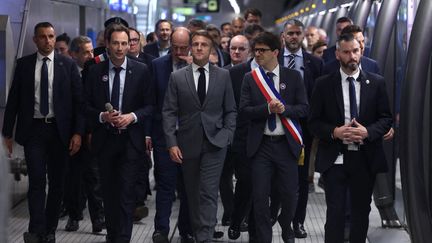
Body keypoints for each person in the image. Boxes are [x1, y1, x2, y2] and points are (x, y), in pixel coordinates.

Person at [2, 22, 84, 243]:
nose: (48, 41)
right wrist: (7, 134)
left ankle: (49, 230)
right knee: (37, 181)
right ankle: (36, 230)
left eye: (51, 36)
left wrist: (78, 133)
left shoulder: (68, 65)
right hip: (34, 131)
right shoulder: (24, 65)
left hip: (60, 131)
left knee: (57, 182)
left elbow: (79, 103)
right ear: (35, 40)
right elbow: (14, 101)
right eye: (43, 37)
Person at [308, 33, 392, 243]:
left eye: (355, 51)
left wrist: (368, 132)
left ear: (361, 51)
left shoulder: (377, 83)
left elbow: (386, 118)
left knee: (360, 213)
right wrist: (334, 132)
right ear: (337, 54)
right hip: (335, 158)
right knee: (335, 212)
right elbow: (313, 122)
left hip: (365, 158)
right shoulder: (324, 84)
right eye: (346, 52)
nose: (352, 56)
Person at [162, 30, 237, 243]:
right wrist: (171, 143)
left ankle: (204, 236)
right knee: (193, 193)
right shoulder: (177, 77)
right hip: (187, 142)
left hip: (216, 142)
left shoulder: (222, 75)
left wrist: (228, 134)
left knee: (209, 191)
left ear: (211, 49)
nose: (199, 48)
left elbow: (231, 109)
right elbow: (168, 112)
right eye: (195, 44)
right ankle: (198, 233)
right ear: (190, 48)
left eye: (204, 44)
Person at [84, 23, 154, 243]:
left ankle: (123, 238)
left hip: (130, 142)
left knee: (126, 195)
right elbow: (84, 106)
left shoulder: (141, 70)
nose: (121, 47)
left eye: (125, 43)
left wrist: (131, 116)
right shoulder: (95, 71)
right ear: (107, 44)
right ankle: (113, 236)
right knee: (109, 194)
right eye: (116, 43)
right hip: (105, 141)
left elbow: (150, 106)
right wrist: (102, 117)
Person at [239, 31, 308, 243]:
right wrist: (267, 109)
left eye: (263, 50)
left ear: (275, 52)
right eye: (256, 50)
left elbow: (304, 109)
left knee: (289, 196)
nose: (258, 54)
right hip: (261, 147)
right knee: (260, 198)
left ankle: (286, 227)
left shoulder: (293, 77)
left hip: (286, 146)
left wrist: (284, 109)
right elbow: (244, 110)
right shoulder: (250, 79)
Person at [277, 19, 323, 239]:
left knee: (301, 178)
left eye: (297, 33)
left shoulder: (314, 63)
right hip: (274, 128)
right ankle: (276, 215)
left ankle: (298, 221)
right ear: (283, 36)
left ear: (302, 35)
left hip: (302, 130)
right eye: (290, 33)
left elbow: (320, 97)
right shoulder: (272, 59)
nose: (294, 37)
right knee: (275, 177)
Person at [150, 27, 194, 243]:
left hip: (190, 137)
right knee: (165, 184)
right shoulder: (158, 66)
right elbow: (152, 101)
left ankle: (186, 228)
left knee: (188, 186)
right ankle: (161, 229)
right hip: (164, 136)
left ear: (190, 46)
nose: (178, 52)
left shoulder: (197, 67)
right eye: (175, 48)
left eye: (182, 48)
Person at [64, 35, 105, 233]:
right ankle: (74, 215)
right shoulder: (67, 72)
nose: (91, 55)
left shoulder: (97, 73)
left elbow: (93, 106)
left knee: (93, 177)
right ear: (74, 55)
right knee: (72, 178)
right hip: (70, 133)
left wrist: (89, 131)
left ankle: (98, 218)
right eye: (86, 52)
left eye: (92, 51)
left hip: (91, 133)